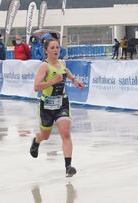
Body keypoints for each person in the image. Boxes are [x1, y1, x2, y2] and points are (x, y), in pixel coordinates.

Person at [30, 38, 85, 177]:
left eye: (57, 47)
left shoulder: (62, 63)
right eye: (53, 47)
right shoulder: (44, 66)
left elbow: (66, 71)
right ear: (46, 50)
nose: (56, 50)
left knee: (65, 133)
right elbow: (36, 87)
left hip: (62, 103)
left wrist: (74, 80)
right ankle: (36, 141)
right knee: (45, 136)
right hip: (47, 105)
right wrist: (53, 81)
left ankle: (68, 167)